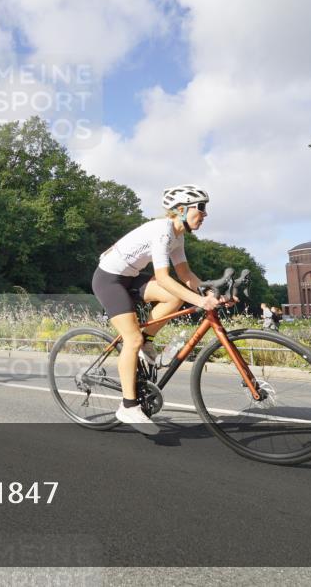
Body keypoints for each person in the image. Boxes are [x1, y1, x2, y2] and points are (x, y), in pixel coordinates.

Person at [92, 184, 221, 435]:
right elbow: (163, 278)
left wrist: (209, 294)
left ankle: (147, 341)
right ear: (181, 209)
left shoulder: (178, 235)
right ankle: (128, 406)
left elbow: (184, 274)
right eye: (201, 208)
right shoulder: (162, 232)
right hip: (109, 280)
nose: (205, 214)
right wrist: (199, 301)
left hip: (131, 277)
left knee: (174, 299)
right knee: (132, 339)